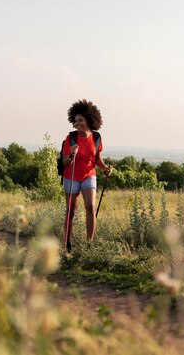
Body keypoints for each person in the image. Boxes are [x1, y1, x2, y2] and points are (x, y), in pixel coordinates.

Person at [61, 99, 112, 253]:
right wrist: (71, 155)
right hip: (71, 176)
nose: (77, 123)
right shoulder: (71, 138)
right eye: (75, 120)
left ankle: (89, 244)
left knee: (90, 206)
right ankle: (67, 244)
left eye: (80, 120)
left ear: (89, 120)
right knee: (71, 210)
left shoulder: (96, 138)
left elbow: (97, 159)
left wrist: (104, 169)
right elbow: (64, 162)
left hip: (89, 174)